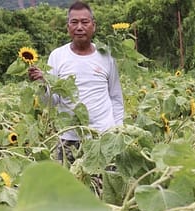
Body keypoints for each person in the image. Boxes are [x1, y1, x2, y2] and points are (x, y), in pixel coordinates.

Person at [28, 1, 125, 163]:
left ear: (93, 26)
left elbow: (115, 96)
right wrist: (42, 84)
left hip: (103, 135)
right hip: (70, 137)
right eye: (74, 22)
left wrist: (118, 130)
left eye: (85, 22)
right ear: (68, 27)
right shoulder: (57, 56)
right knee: (68, 186)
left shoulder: (106, 55)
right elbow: (51, 102)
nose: (79, 27)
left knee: (103, 185)